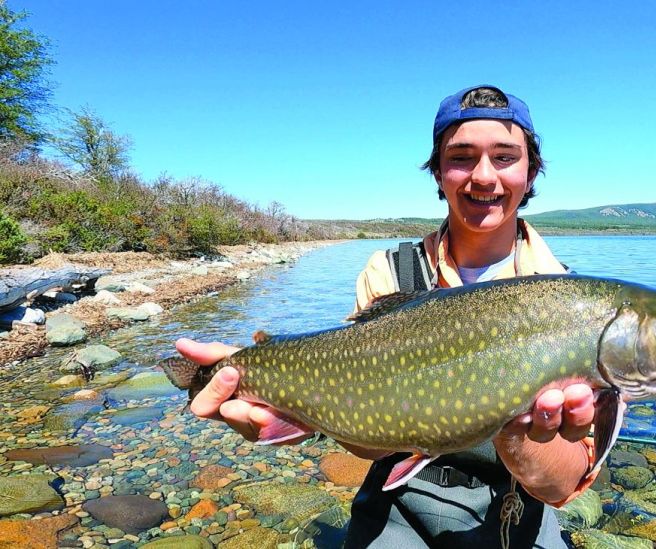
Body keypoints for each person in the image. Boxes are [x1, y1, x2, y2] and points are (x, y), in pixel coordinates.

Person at [177, 85, 601, 548]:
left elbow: (561, 486)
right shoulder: (391, 271)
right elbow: (369, 442)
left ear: (530, 171)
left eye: (504, 157)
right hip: (399, 495)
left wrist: (517, 435)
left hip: (515, 500)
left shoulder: (574, 305)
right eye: (461, 157)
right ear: (438, 173)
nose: (483, 176)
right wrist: (282, 398)